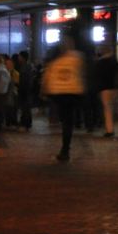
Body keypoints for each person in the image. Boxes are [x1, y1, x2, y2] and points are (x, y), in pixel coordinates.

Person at [41, 30, 88, 163]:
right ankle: (65, 148)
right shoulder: (78, 57)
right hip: (73, 92)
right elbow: (82, 74)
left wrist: (44, 89)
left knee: (65, 119)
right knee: (68, 121)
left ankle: (65, 149)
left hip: (58, 92)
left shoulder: (54, 57)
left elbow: (48, 75)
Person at [93, 44, 118, 138]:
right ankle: (117, 124)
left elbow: (97, 77)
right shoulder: (115, 62)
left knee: (107, 109)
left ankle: (110, 129)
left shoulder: (100, 63)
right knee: (114, 107)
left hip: (104, 88)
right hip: (115, 87)